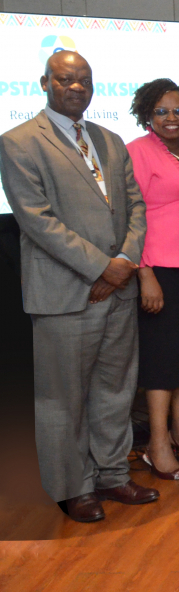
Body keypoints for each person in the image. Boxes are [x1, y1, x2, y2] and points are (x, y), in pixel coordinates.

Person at [0, 51, 153, 522]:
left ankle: (112, 474)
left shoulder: (109, 140)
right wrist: (101, 268)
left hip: (118, 289)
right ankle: (73, 487)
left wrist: (124, 262)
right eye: (65, 80)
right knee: (62, 398)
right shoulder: (19, 143)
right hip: (65, 295)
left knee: (115, 389)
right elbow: (38, 222)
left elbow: (135, 207)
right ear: (45, 83)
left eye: (84, 80)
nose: (76, 88)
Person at [126, 79, 179, 480]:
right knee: (162, 361)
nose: (171, 118)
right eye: (161, 111)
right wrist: (145, 274)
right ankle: (156, 442)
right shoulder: (137, 153)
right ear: (146, 114)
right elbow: (132, 217)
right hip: (159, 268)